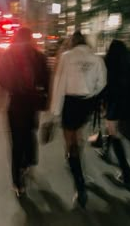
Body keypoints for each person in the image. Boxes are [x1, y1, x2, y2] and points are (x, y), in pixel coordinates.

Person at [50, 31, 107, 208]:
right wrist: (91, 94)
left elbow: (59, 82)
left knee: (70, 141)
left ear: (72, 42)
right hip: (85, 103)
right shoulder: (97, 59)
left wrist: (55, 111)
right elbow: (102, 82)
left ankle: (79, 182)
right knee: (79, 134)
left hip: (70, 102)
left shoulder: (67, 57)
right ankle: (75, 163)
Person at [0, 28, 50, 197]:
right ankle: (27, 163)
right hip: (32, 103)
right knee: (29, 133)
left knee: (16, 141)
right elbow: (46, 79)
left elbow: (1, 78)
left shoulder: (8, 55)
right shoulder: (39, 56)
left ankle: (17, 183)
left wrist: (11, 87)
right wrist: (44, 98)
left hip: (16, 102)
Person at [99, 39, 130, 185]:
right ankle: (105, 151)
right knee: (111, 130)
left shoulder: (108, 64)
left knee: (114, 134)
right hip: (126, 106)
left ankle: (126, 172)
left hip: (114, 105)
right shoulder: (129, 66)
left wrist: (102, 103)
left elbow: (105, 86)